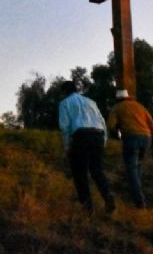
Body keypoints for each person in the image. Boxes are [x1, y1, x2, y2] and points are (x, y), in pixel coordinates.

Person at [58, 80, 116, 214]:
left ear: (64, 92)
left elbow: (65, 127)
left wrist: (67, 147)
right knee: (97, 169)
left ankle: (87, 207)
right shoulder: (91, 102)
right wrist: (104, 141)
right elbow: (102, 121)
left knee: (79, 172)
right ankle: (107, 195)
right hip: (98, 135)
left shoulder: (65, 103)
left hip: (81, 136)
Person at [106, 89, 153, 208]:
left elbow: (110, 125)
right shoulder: (140, 107)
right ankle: (136, 195)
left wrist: (117, 134)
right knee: (137, 168)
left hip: (131, 138)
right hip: (146, 138)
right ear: (128, 97)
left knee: (131, 170)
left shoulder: (117, 107)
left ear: (117, 99)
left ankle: (139, 202)